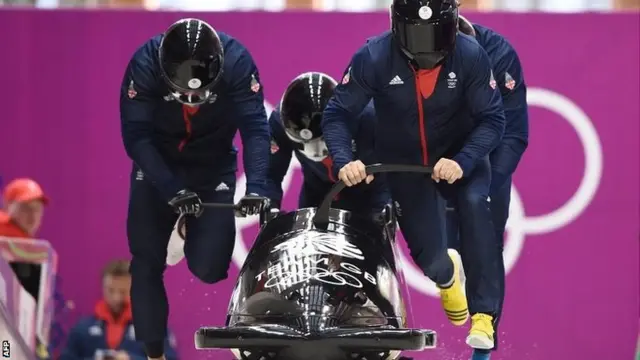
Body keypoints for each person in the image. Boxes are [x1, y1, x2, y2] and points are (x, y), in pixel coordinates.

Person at [321, 0, 506, 351]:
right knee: (430, 258)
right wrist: (345, 159)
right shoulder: (373, 57)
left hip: (459, 159)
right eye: (415, 34)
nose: (426, 46)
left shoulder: (471, 56)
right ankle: (447, 276)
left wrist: (463, 160)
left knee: (474, 204)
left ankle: (484, 314)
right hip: (405, 164)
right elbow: (338, 113)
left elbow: (493, 119)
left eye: (434, 33)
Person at [119, 18, 270, 360]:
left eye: (201, 94)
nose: (192, 99)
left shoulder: (237, 63)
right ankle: (154, 354)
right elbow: (136, 137)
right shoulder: (143, 66)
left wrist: (257, 185)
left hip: (212, 164)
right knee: (145, 260)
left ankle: (186, 227)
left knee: (211, 269)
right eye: (183, 94)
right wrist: (171, 188)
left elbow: (255, 128)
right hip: (158, 164)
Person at [445, 15, 529, 360]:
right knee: (443, 246)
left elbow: (514, 134)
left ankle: (484, 344)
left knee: (483, 238)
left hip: (488, 159)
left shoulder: (500, 54)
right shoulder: (411, 55)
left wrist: (487, 184)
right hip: (440, 155)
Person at [265, 71, 389, 216]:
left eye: (323, 141)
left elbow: (391, 169)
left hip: (370, 190)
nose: (317, 153)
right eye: (306, 143)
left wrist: (385, 209)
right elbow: (271, 172)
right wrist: (270, 207)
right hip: (317, 191)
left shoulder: (369, 115)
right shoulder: (278, 123)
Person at [60, 260, 178, 360]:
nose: (116, 298)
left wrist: (131, 358)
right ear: (103, 288)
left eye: (123, 292)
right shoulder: (82, 329)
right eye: (110, 290)